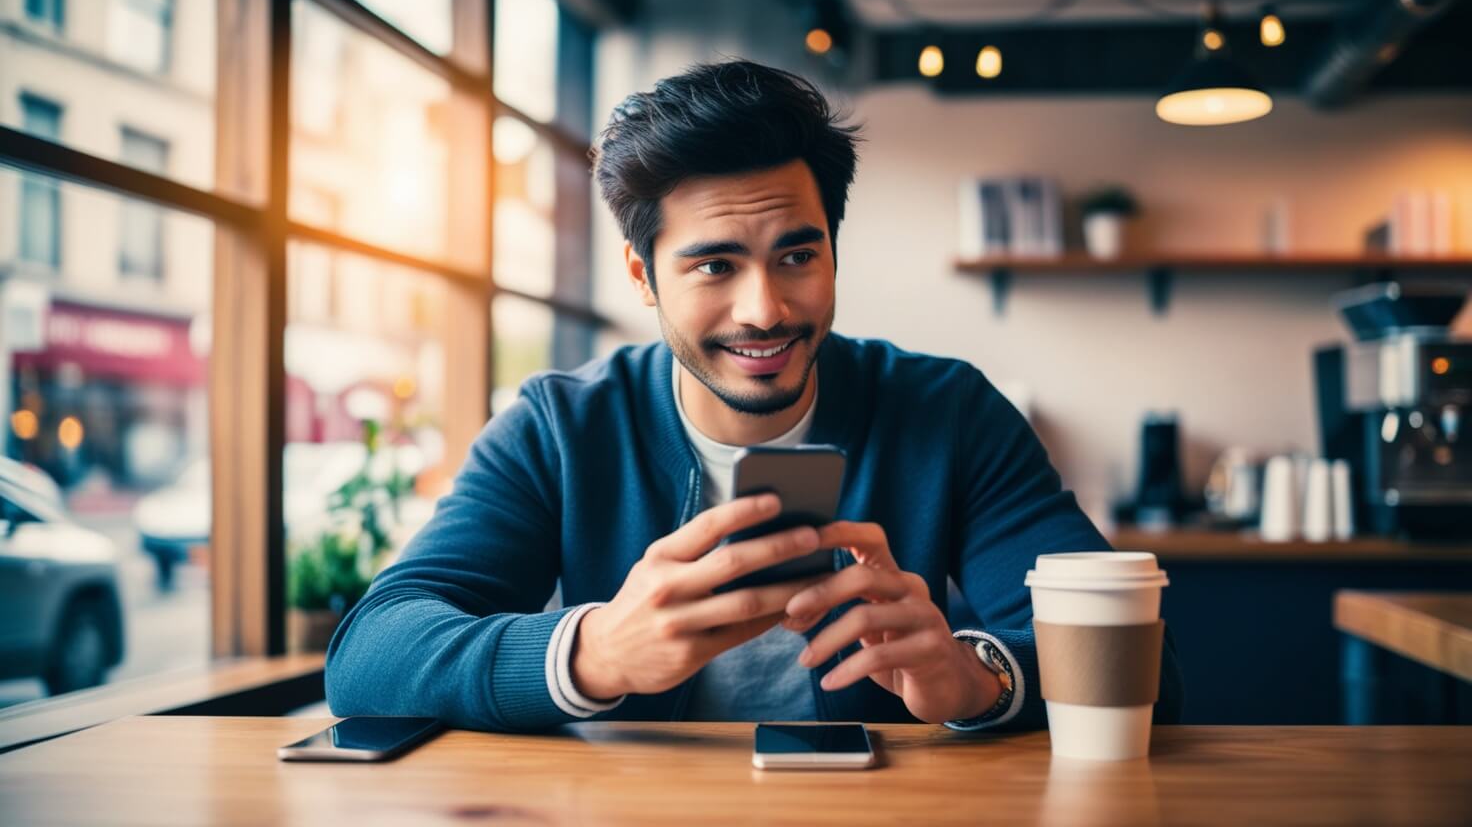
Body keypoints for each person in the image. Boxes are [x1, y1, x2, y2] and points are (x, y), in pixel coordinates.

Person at [325, 59, 1184, 733]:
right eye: (714, 264)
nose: (765, 309)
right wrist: (595, 653)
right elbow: (370, 655)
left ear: (834, 254)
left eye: (797, 256)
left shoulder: (948, 411)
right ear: (643, 276)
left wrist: (976, 678)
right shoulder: (562, 426)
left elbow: (1138, 664)